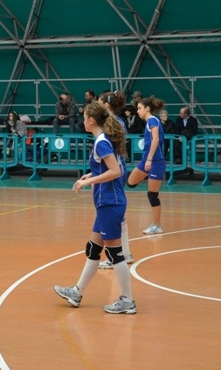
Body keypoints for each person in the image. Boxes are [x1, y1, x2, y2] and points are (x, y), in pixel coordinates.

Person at [53, 101, 136, 314]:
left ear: (91, 120)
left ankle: (127, 300)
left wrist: (87, 182)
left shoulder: (102, 142)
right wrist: (91, 174)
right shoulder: (104, 139)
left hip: (110, 203)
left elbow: (116, 171)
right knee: (93, 249)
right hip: (105, 203)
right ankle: (76, 292)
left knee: (115, 253)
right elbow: (108, 166)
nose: (82, 121)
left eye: (84, 118)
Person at [98, 91, 134, 270]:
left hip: (114, 169)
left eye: (99, 102)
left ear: (106, 105)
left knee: (113, 212)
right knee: (118, 215)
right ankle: (125, 253)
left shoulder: (112, 123)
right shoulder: (118, 121)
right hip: (119, 167)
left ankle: (117, 255)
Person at [127, 96, 166, 235]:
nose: (137, 111)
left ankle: (157, 226)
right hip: (146, 161)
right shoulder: (149, 122)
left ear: (147, 108)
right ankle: (149, 177)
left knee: (152, 195)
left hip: (155, 161)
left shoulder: (153, 120)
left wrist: (149, 159)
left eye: (139, 108)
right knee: (130, 183)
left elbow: (156, 140)